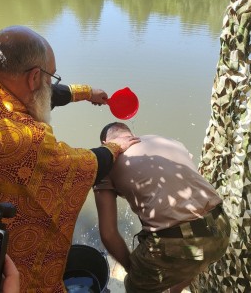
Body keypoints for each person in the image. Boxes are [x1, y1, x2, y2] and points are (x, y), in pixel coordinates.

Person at [0, 26, 139, 293]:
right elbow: (76, 166)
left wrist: (85, 92)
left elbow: (30, 95)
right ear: (35, 77)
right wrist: (115, 147)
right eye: (50, 77)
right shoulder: (20, 140)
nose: (51, 84)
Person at [94, 122, 231, 293]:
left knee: (135, 286)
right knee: (193, 261)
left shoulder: (107, 159)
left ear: (105, 144)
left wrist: (136, 271)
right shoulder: (166, 141)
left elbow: (108, 234)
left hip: (177, 243)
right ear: (130, 134)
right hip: (220, 229)